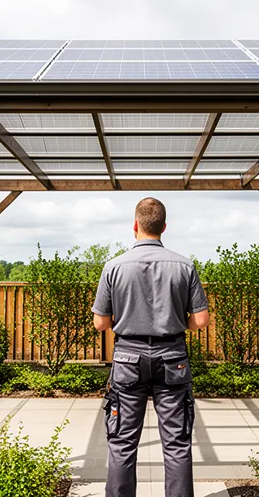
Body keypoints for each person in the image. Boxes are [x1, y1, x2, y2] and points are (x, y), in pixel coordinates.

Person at [92, 197, 210, 497]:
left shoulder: (114, 267)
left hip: (127, 359)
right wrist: (175, 318)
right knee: (176, 442)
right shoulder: (185, 265)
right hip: (172, 359)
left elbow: (100, 324)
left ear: (135, 225)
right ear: (164, 227)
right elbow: (201, 320)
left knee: (122, 442)